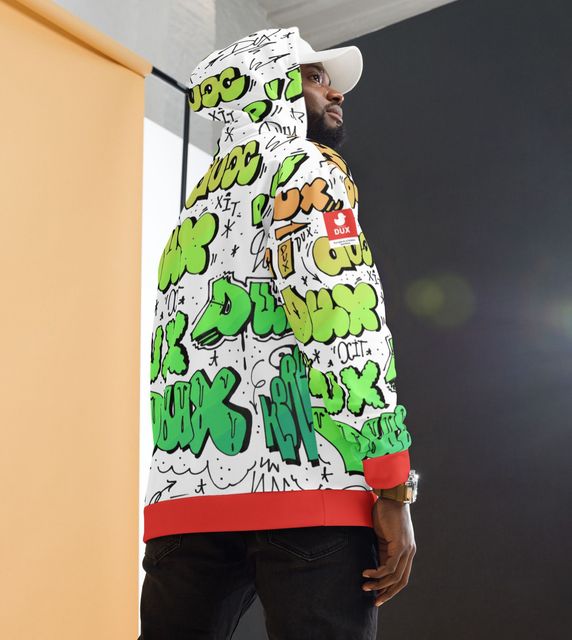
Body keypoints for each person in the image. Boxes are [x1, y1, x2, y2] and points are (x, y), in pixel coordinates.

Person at [140, 26, 417, 640]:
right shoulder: (306, 170)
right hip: (308, 492)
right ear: (270, 88)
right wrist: (392, 485)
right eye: (316, 78)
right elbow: (343, 321)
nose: (336, 93)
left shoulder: (196, 207)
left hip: (185, 503)